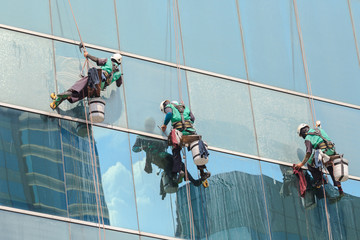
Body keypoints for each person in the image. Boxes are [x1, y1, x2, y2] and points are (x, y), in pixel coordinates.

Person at [51, 50, 123, 108]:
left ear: (112, 58)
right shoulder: (119, 73)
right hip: (100, 87)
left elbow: (97, 60)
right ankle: (64, 99)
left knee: (82, 82)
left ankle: (69, 93)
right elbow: (119, 84)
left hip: (97, 78)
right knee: (84, 92)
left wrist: (87, 55)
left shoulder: (108, 61)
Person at [160, 100, 210, 183]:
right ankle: (202, 172)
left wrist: (165, 125)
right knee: (197, 149)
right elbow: (193, 119)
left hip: (179, 132)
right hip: (191, 131)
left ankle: (179, 171)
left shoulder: (168, 106)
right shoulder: (184, 107)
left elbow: (169, 114)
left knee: (175, 149)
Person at [294, 123, 344, 197]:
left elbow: (308, 152)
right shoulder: (319, 130)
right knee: (330, 167)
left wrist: (301, 164)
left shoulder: (308, 138)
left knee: (310, 164)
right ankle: (339, 187)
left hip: (322, 152)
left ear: (303, 133)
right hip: (331, 151)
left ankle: (319, 180)